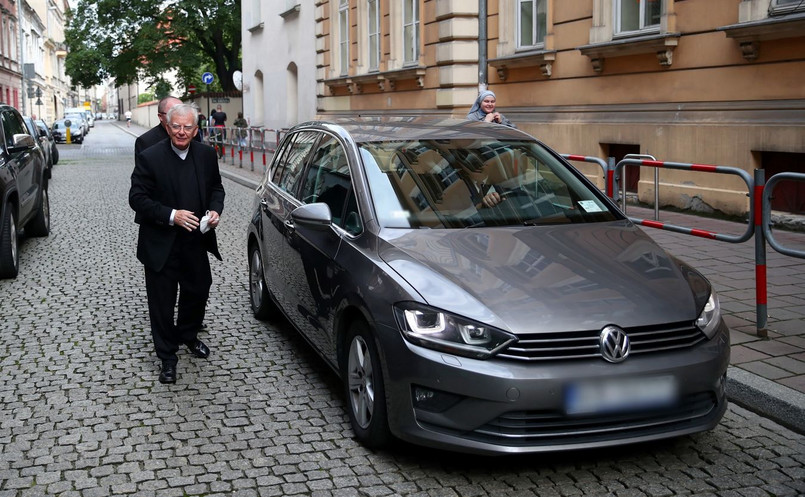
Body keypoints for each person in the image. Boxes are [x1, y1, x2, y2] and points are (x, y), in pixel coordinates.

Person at [129, 103, 225, 384]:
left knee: (199, 288)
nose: (181, 132)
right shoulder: (150, 157)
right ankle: (167, 358)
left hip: (196, 239)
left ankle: (188, 334)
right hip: (161, 243)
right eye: (176, 126)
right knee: (162, 302)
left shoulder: (207, 154)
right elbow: (137, 198)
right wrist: (172, 216)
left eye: (187, 127)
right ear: (168, 127)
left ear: (196, 130)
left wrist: (215, 210)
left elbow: (217, 187)